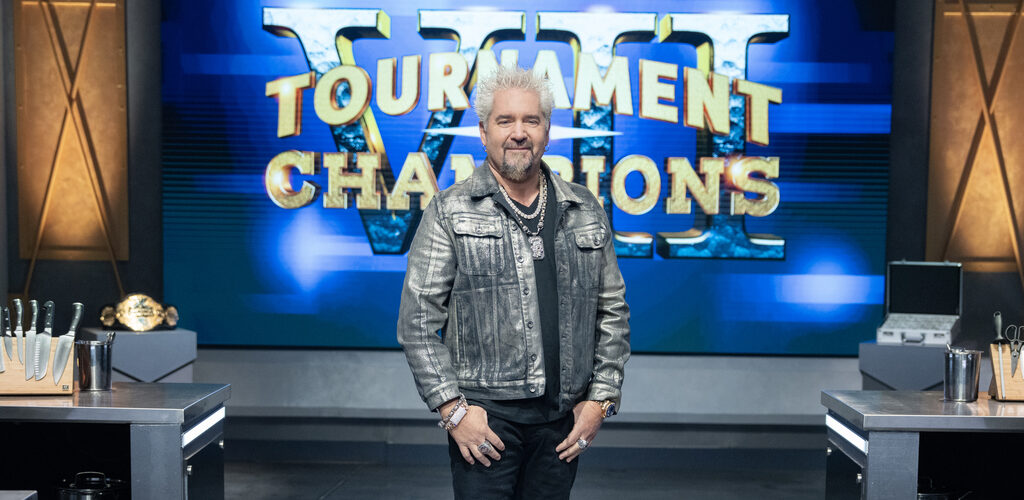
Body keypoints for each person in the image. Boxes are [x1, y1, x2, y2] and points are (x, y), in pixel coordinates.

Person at [397, 65, 630, 499]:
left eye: (531, 121)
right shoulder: (449, 210)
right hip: (485, 423)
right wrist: (452, 410)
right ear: (483, 132)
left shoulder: (584, 208)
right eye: (505, 121)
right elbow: (417, 323)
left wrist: (601, 401)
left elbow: (612, 311)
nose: (519, 133)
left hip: (562, 425)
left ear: (547, 131)